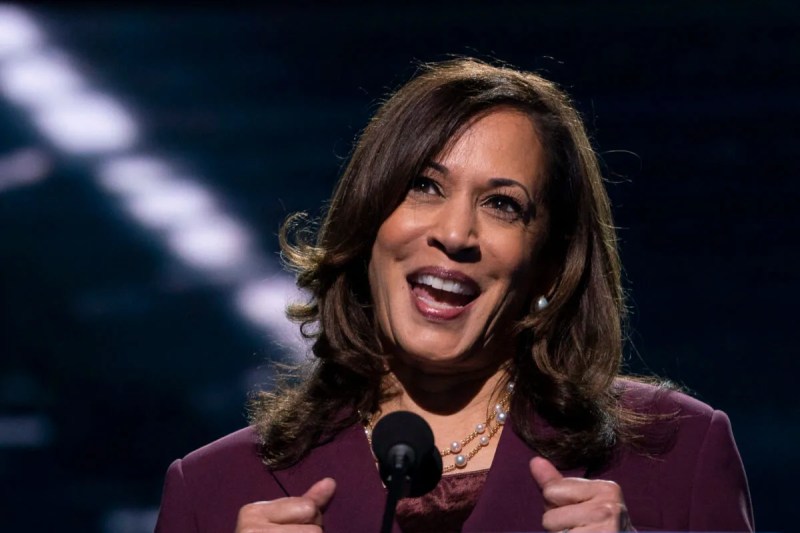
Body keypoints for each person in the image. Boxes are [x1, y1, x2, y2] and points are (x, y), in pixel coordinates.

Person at [155, 58, 753, 532]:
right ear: (368, 228)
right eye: (424, 186)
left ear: (550, 266)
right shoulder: (215, 491)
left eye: (502, 205)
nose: (455, 234)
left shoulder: (677, 455)